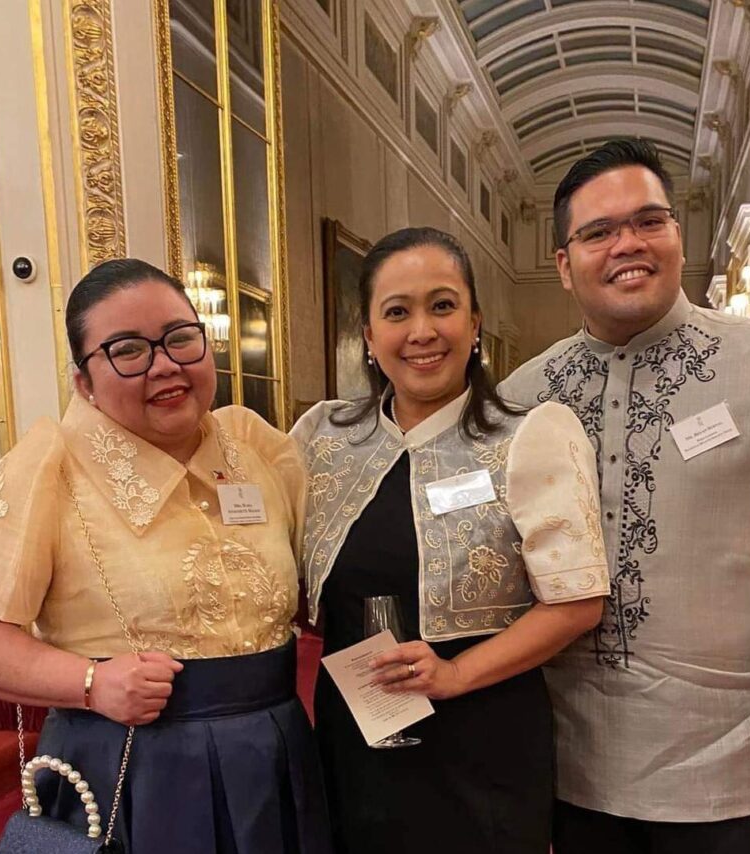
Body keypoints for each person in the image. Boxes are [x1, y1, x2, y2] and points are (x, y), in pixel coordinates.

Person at [499, 138, 750, 854]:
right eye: (598, 232)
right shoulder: (521, 398)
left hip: (732, 766)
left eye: (650, 221)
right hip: (572, 761)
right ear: (563, 263)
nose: (628, 244)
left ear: (680, 236)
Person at [0, 259, 331, 853]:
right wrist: (90, 681)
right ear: (84, 381)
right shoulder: (50, 468)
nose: (165, 365)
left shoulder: (256, 448)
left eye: (181, 339)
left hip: (272, 752)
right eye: (128, 351)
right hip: (136, 765)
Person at [291, 226, 608, 854]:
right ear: (369, 335)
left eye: (442, 305)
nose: (422, 331)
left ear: (475, 320)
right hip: (355, 732)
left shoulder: (529, 435)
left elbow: (577, 601)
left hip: (480, 733)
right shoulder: (322, 436)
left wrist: (456, 674)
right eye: (396, 312)